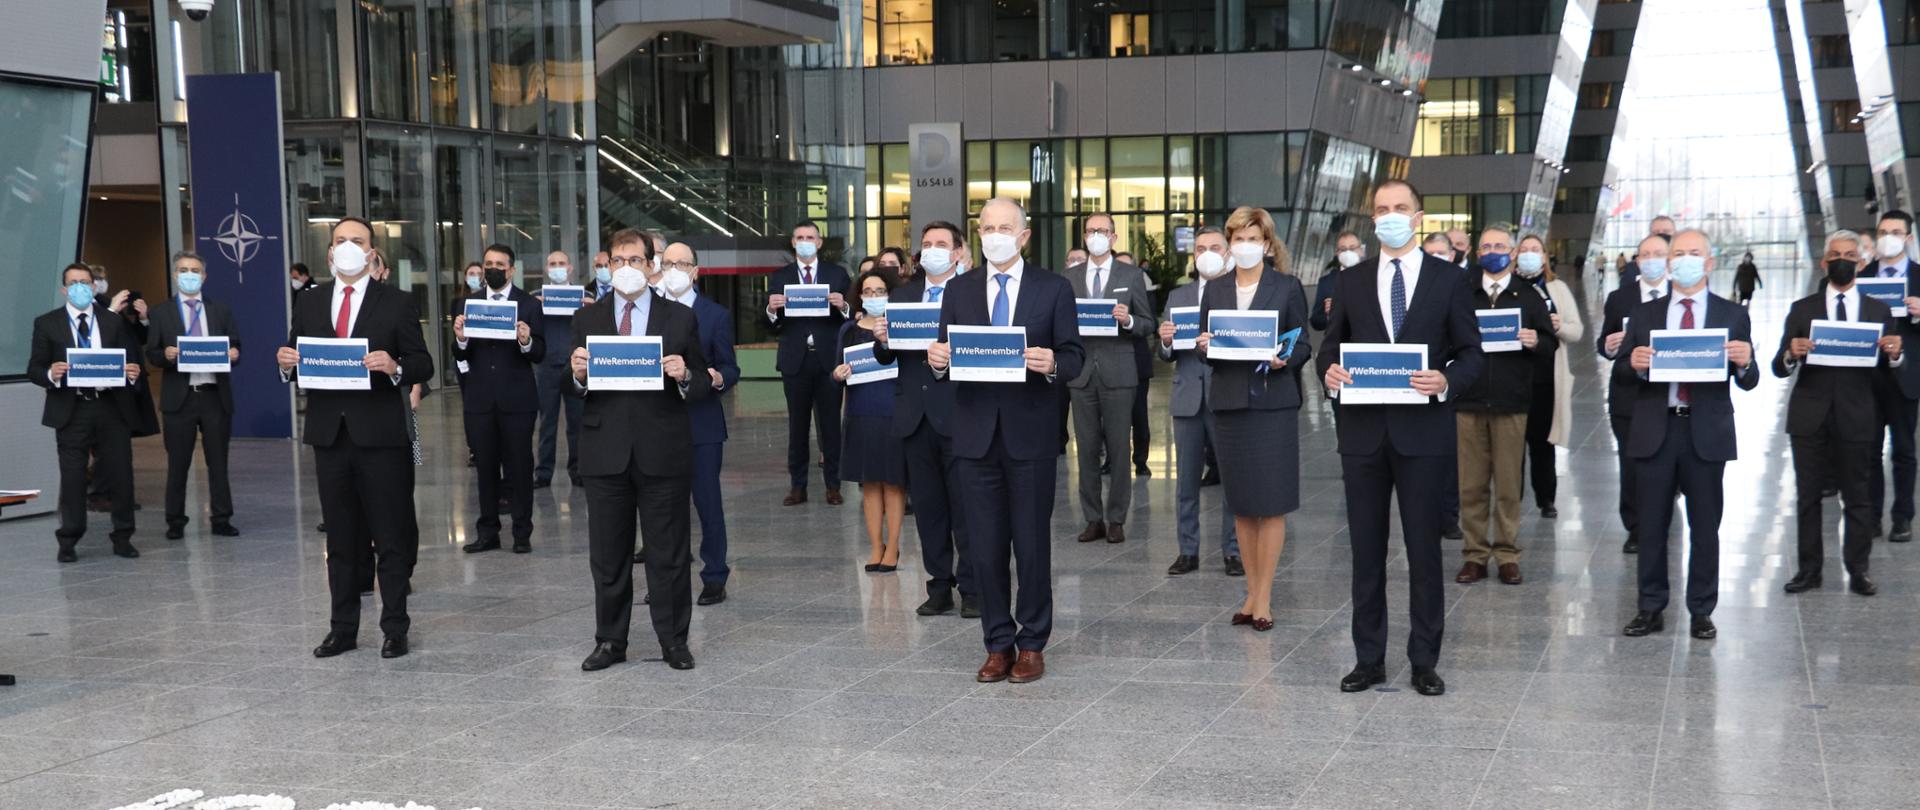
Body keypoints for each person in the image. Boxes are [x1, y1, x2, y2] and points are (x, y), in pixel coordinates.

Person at [1318, 180, 1484, 696]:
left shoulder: (1449, 279)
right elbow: (1329, 349)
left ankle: (1423, 660)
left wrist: (1447, 381)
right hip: (1364, 434)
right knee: (1366, 552)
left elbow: (1472, 352)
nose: (1391, 216)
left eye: (1400, 208)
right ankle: (1368, 658)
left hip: (1423, 434)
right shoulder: (1350, 281)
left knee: (1423, 552)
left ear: (1418, 217)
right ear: (1373, 219)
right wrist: (1328, 373)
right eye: (1382, 209)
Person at [926, 197, 1085, 685]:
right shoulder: (960, 290)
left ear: (1024, 235)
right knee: (984, 546)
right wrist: (937, 361)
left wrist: (1053, 364)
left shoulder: (1053, 289)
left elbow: (1075, 357)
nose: (994, 234)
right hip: (974, 437)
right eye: (986, 227)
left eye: (1004, 227)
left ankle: (1032, 642)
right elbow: (946, 355)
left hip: (1030, 436)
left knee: (1032, 546)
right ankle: (997, 643)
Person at [277, 217, 434, 659]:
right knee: (341, 539)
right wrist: (285, 362)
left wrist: (395, 366)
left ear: (372, 252)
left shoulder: (396, 302)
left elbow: (423, 363)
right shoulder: (309, 302)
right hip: (331, 435)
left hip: (382, 435)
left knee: (391, 535)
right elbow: (294, 356)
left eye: (357, 241)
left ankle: (395, 627)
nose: (348, 248)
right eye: (340, 241)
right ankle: (342, 628)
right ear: (330, 253)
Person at [570, 228, 709, 672]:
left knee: (668, 554)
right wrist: (577, 375)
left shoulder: (679, 318)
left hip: (662, 451)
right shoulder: (586, 319)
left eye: (634, 260)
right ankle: (610, 640)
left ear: (652, 265)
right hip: (604, 451)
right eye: (616, 261)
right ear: (607, 266)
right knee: (608, 556)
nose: (625, 268)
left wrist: (686, 374)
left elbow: (704, 379)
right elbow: (566, 382)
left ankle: (673, 640)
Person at [1621, 229, 1760, 639]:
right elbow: (1624, 373)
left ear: (1709, 262)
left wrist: (1745, 363)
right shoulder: (1647, 314)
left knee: (1705, 525)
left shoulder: (1731, 315)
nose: (1684, 259)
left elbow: (1749, 381)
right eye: (1678, 253)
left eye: (1693, 253)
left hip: (1705, 432)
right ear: (1668, 264)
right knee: (1651, 525)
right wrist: (1635, 362)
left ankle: (1701, 609)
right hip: (1656, 429)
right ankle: (1650, 606)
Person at [1197, 209, 1309, 629]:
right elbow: (1205, 345)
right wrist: (1204, 344)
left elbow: (1304, 346)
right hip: (1228, 404)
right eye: (1237, 238)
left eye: (1252, 238)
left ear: (1266, 244)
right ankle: (1250, 591)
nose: (1244, 245)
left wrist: (1285, 357)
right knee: (1242, 506)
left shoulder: (1286, 287)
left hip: (1272, 403)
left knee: (1273, 505)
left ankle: (1263, 598)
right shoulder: (1217, 289)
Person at [1778, 231, 1902, 599]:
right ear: (1824, 262)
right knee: (1807, 497)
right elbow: (1778, 367)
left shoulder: (1878, 311)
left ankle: (1858, 569)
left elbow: (1890, 364)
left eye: (1849, 255)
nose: (1842, 260)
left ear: (1861, 263)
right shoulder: (1802, 309)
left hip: (1858, 414)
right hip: (1810, 416)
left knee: (1858, 497)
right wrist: (1790, 353)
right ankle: (1808, 570)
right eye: (1835, 255)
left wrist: (1895, 354)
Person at [872, 221, 976, 617]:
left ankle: (973, 587)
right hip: (914, 416)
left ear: (957, 253)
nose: (931, 249)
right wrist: (882, 341)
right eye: (926, 243)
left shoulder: (973, 292)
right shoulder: (903, 295)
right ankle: (938, 585)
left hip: (961, 414)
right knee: (929, 508)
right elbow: (889, 356)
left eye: (941, 244)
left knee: (965, 509)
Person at [1452, 227, 1555, 586]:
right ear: (1478, 252)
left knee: (1510, 484)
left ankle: (1507, 553)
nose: (1493, 251)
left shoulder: (1528, 296)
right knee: (1471, 484)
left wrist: (1535, 340)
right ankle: (1475, 554)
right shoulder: (1463, 292)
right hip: (1468, 400)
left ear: (1511, 253)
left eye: (1500, 246)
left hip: (1512, 402)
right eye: (1487, 246)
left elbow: (1550, 343)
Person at [31, 263, 146, 562]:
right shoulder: (47, 323)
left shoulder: (112, 321)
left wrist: (132, 373)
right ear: (64, 290)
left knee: (121, 474)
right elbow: (34, 368)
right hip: (72, 409)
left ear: (94, 288)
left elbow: (130, 363)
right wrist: (50, 372)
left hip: (111, 407)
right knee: (72, 478)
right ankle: (68, 539)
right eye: (74, 282)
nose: (80, 287)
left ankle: (123, 537)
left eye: (85, 282)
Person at [1065, 213, 1156, 545]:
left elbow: (1149, 324)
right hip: (1082, 372)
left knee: (1119, 448)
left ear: (1114, 237)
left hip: (1120, 371)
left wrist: (1129, 319)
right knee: (1086, 449)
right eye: (1090, 231)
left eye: (1101, 231)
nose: (1095, 236)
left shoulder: (1131, 276)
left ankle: (1116, 518)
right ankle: (1093, 519)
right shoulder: (1069, 276)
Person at [660, 241, 740, 604]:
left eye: (682, 263)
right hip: (657, 422)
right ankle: (667, 577)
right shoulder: (651, 312)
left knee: (707, 503)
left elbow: (730, 367)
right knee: (663, 507)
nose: (674, 269)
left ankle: (714, 575)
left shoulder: (715, 315)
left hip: (702, 423)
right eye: (667, 263)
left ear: (695, 271)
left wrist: (717, 378)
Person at [1158, 227, 1241, 577]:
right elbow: (1164, 352)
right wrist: (1163, 341)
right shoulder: (1178, 296)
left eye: (1215, 247)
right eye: (1201, 248)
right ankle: (1187, 550)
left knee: (1233, 481)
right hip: (1188, 396)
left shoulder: (1240, 292)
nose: (1208, 253)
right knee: (1187, 481)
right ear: (1194, 256)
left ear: (1228, 253)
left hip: (1226, 394)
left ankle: (1234, 551)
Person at [452, 244, 545, 554]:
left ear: (511, 269)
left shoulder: (528, 304)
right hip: (479, 399)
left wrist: (526, 340)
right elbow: (460, 354)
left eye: (499, 264)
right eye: (487, 263)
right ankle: (487, 530)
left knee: (519, 467)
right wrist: (461, 338)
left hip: (517, 399)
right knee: (486, 468)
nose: (492, 269)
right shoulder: (469, 303)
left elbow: (540, 352)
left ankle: (522, 532)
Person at [146, 251, 242, 540]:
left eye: (195, 270)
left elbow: (235, 345)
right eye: (184, 270)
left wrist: (234, 354)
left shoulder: (220, 310)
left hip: (214, 396)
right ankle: (175, 520)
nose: (189, 274)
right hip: (180, 398)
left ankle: (221, 518)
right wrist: (164, 354)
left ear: (204, 276)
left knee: (218, 462)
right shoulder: (161, 312)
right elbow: (150, 353)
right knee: (178, 463)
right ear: (175, 276)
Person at [766, 221, 851, 507]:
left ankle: (833, 486)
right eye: (799, 237)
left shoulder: (837, 274)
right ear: (793, 242)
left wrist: (844, 306)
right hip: (795, 360)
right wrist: (771, 310)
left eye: (809, 237)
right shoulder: (780, 277)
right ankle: (798, 486)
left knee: (831, 426)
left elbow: (849, 320)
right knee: (797, 426)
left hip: (828, 360)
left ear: (819, 242)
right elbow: (772, 324)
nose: (804, 241)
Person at [832, 268, 911, 572]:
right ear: (859, 295)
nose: (874, 296)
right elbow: (836, 371)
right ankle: (876, 547)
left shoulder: (899, 328)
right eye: (868, 291)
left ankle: (893, 547)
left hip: (893, 413)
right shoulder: (848, 330)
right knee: (869, 485)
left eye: (880, 291)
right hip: (859, 413)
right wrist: (837, 375)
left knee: (893, 483)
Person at [1599, 233, 1673, 554]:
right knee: (1631, 465)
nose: (1652, 259)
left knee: (1665, 464)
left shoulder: (1682, 297)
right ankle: (1635, 526)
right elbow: (1604, 342)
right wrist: (1608, 345)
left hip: (1669, 394)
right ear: (1637, 261)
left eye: (1659, 253)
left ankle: (1662, 520)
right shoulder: (1619, 298)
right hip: (1628, 394)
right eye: (1646, 254)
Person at [1513, 235, 1584, 519]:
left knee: (1543, 442)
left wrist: (1558, 326)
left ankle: (1547, 498)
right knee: (1513, 444)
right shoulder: (1510, 287)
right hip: (1514, 376)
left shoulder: (1557, 288)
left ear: (1544, 256)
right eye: (1524, 250)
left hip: (1546, 377)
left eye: (1535, 250)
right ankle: (1512, 499)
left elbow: (1576, 330)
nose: (1529, 254)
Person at [1867, 210, 1918, 543]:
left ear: (1908, 238)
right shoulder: (1862, 276)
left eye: (1896, 231)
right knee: (1867, 451)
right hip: (1867, 378)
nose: (1889, 237)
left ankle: (1902, 516)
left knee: (1903, 450)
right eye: (1883, 231)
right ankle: (1870, 516)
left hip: (1906, 376)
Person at [533, 250, 588, 489]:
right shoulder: (536, 297)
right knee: (547, 422)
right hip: (546, 365)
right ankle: (543, 473)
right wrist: (533, 308)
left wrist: (590, 307)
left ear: (570, 268)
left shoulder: (585, 296)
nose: (557, 267)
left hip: (574, 366)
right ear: (546, 269)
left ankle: (578, 471)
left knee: (577, 422)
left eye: (561, 263)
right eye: (552, 264)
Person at [1312, 232, 1365, 332]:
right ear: (1337, 253)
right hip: (1335, 343)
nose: (1348, 253)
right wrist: (1328, 315)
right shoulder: (1326, 282)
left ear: (1361, 250)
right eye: (1343, 249)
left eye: (1352, 248)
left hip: (1365, 343)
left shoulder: (1372, 277)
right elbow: (1316, 322)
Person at [1619, 216, 1677, 287]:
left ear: (1675, 234)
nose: (1661, 235)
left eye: (1666, 231)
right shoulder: (1633, 269)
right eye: (1656, 232)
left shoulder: (1685, 266)